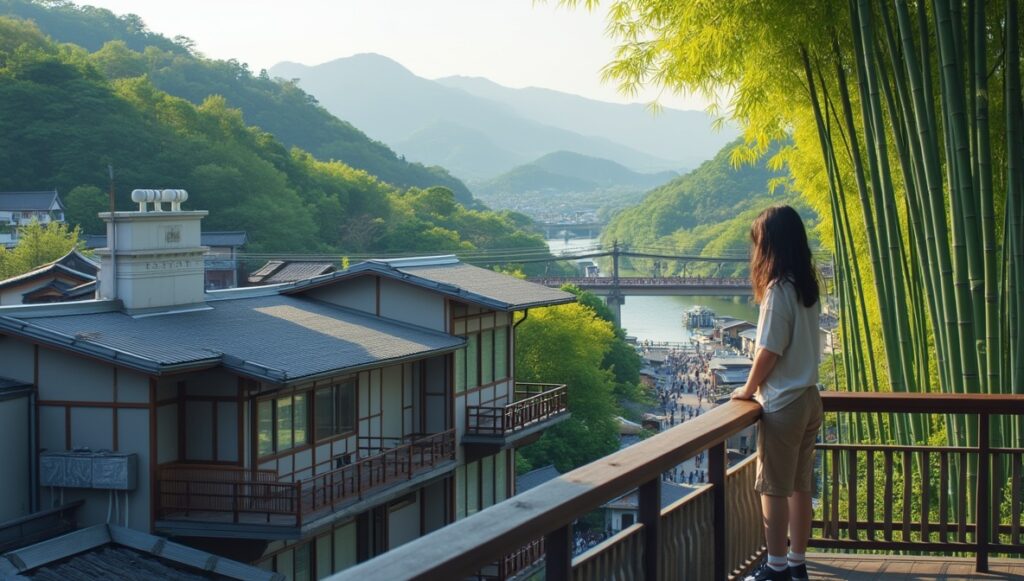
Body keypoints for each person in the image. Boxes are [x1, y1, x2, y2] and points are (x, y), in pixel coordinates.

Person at [732, 206, 822, 581]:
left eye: (758, 243)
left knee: (774, 488)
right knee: (801, 488)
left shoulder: (777, 289)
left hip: (783, 401)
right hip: (809, 398)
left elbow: (769, 349)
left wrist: (748, 389)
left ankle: (776, 568)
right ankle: (797, 564)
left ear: (770, 245)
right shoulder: (807, 286)